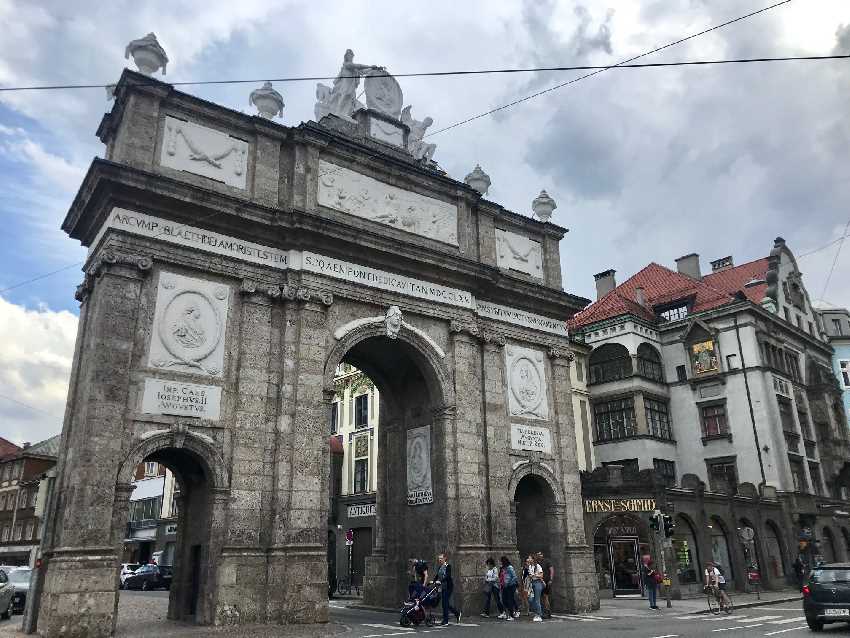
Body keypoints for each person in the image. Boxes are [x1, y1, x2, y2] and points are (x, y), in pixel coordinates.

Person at [436, 552, 461, 625]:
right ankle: (457, 613)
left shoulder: (448, 566)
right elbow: (437, 575)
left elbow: (448, 576)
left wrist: (440, 581)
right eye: (439, 558)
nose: (439, 559)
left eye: (441, 558)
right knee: (445, 603)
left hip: (448, 587)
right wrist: (433, 581)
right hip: (443, 587)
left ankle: (445, 620)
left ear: (445, 558)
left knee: (445, 603)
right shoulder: (440, 567)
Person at [498, 556, 518, 621]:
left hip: (511, 586)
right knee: (504, 599)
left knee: (510, 600)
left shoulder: (510, 567)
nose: (500, 563)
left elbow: (514, 576)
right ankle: (509, 613)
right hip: (504, 586)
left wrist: (509, 583)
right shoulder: (503, 568)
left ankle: (511, 615)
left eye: (501, 561)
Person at [525, 555, 545, 622]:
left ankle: (538, 615)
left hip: (538, 582)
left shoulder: (538, 566)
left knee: (537, 599)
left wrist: (534, 575)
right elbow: (530, 576)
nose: (528, 559)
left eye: (530, 558)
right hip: (532, 583)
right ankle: (538, 612)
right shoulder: (530, 566)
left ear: (533, 559)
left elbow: (541, 575)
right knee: (530, 599)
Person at [536, 552, 554, 619]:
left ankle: (548, 612)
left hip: (546, 581)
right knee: (540, 597)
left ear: (542, 555)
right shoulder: (537, 563)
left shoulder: (547, 561)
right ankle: (543, 611)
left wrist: (551, 579)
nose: (539, 555)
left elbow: (551, 570)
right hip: (539, 581)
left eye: (540, 554)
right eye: (538, 555)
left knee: (545, 596)